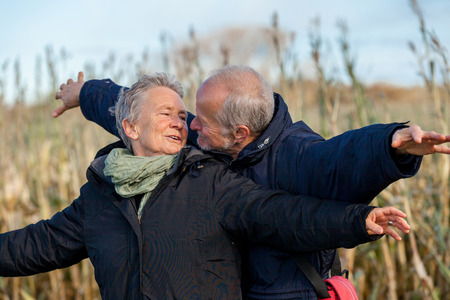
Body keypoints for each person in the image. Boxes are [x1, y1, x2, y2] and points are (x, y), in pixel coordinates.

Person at [1, 73, 411, 299]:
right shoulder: (98, 195)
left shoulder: (210, 180)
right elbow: (37, 246)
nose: (184, 124)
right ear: (130, 127)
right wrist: (84, 92)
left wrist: (361, 216)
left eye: (187, 117)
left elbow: (286, 213)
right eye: (170, 114)